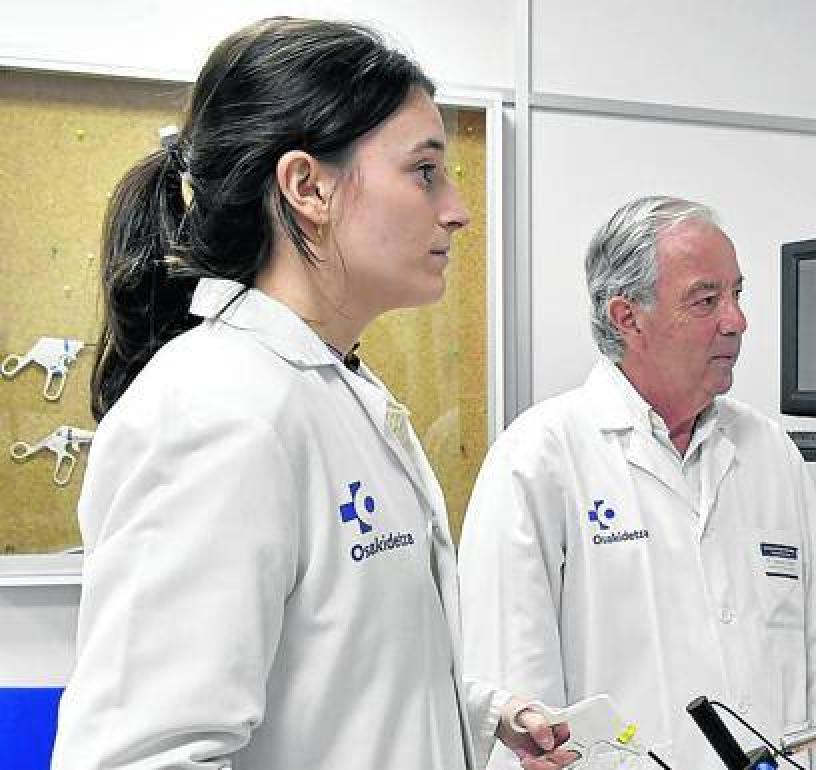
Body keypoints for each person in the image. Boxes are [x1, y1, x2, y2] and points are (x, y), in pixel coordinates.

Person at [52, 17, 575, 770]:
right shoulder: (217, 412)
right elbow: (140, 757)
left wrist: (483, 712)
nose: (457, 207)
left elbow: (330, 668)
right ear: (308, 187)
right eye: (425, 171)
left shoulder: (329, 389)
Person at [457, 196, 816, 770]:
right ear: (628, 318)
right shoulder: (538, 459)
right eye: (706, 300)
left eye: (736, 294)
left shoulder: (770, 452)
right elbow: (515, 703)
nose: (736, 320)